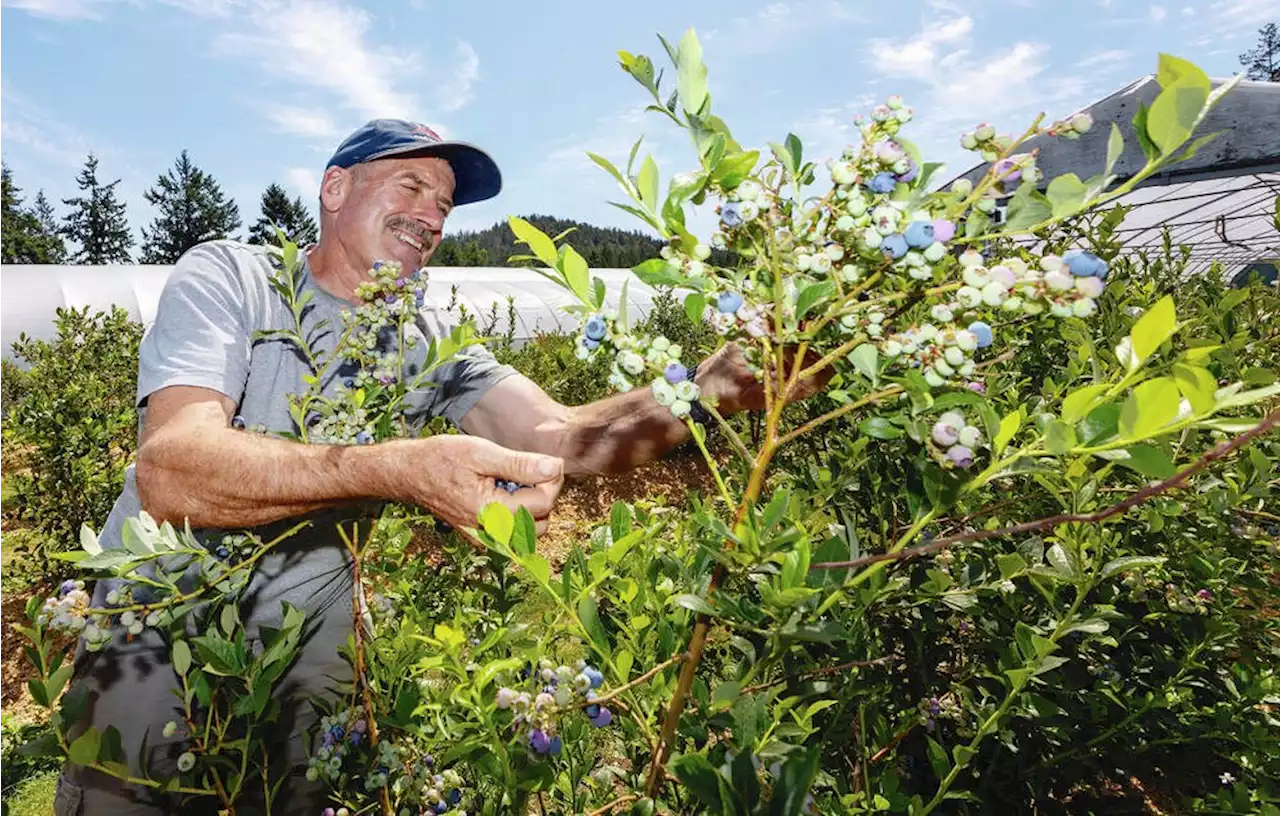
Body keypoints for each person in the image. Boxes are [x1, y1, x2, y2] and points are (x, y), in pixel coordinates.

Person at [52, 118, 825, 815]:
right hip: (159, 650)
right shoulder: (235, 278)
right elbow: (175, 468)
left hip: (306, 677)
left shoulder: (424, 335)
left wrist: (706, 392)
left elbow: (564, 435)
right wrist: (399, 466)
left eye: (445, 206)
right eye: (412, 185)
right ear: (334, 189)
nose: (431, 216)